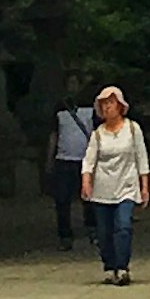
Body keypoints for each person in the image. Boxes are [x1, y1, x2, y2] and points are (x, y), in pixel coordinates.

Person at [78, 84, 150, 282]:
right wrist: (86, 181)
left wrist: (144, 186)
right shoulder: (98, 134)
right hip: (103, 188)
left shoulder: (133, 129)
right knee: (104, 231)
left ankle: (122, 266)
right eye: (104, 104)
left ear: (120, 106)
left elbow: (141, 158)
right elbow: (89, 160)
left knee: (123, 226)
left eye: (111, 103)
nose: (108, 107)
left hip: (127, 185)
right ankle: (109, 265)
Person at [48, 82, 94, 251]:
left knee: (88, 198)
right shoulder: (60, 108)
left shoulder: (91, 106)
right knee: (62, 199)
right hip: (64, 158)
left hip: (85, 159)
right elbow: (54, 134)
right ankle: (65, 235)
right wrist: (50, 158)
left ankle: (92, 228)